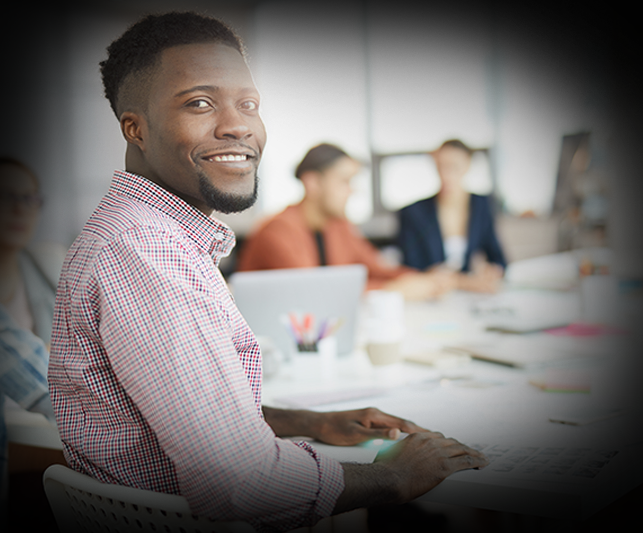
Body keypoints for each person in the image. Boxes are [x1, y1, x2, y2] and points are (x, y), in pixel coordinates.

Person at [48, 12, 488, 533]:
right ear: (135, 128)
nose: (238, 125)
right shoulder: (145, 253)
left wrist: (308, 423)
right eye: (199, 102)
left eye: (248, 104)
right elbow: (240, 481)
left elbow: (179, 418)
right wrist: (391, 479)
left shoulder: (152, 238)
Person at [237, 143, 457, 300]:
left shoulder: (338, 226)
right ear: (313, 183)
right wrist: (392, 291)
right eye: (345, 181)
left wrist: (424, 280)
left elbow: (377, 267)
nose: (353, 191)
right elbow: (316, 295)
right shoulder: (277, 232)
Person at [0, 158, 62, 526]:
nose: (21, 208)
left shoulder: (48, 263)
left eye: (30, 198)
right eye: (7, 196)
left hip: (41, 424)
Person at [397, 139, 507, 293]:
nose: (446, 175)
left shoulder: (482, 205)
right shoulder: (413, 212)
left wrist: (492, 271)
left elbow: (498, 258)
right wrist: (464, 282)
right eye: (441, 167)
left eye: (454, 167)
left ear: (467, 165)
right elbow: (411, 269)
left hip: (472, 296)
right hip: (432, 296)